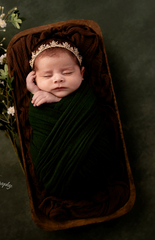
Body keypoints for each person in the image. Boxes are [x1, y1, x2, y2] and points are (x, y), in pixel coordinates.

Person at [26, 40, 118, 200]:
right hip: (53, 173)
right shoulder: (39, 98)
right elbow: (38, 120)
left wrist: (56, 100)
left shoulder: (86, 97)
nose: (58, 79)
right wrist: (35, 92)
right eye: (47, 75)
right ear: (35, 80)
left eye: (67, 73)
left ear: (82, 74)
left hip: (94, 166)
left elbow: (90, 121)